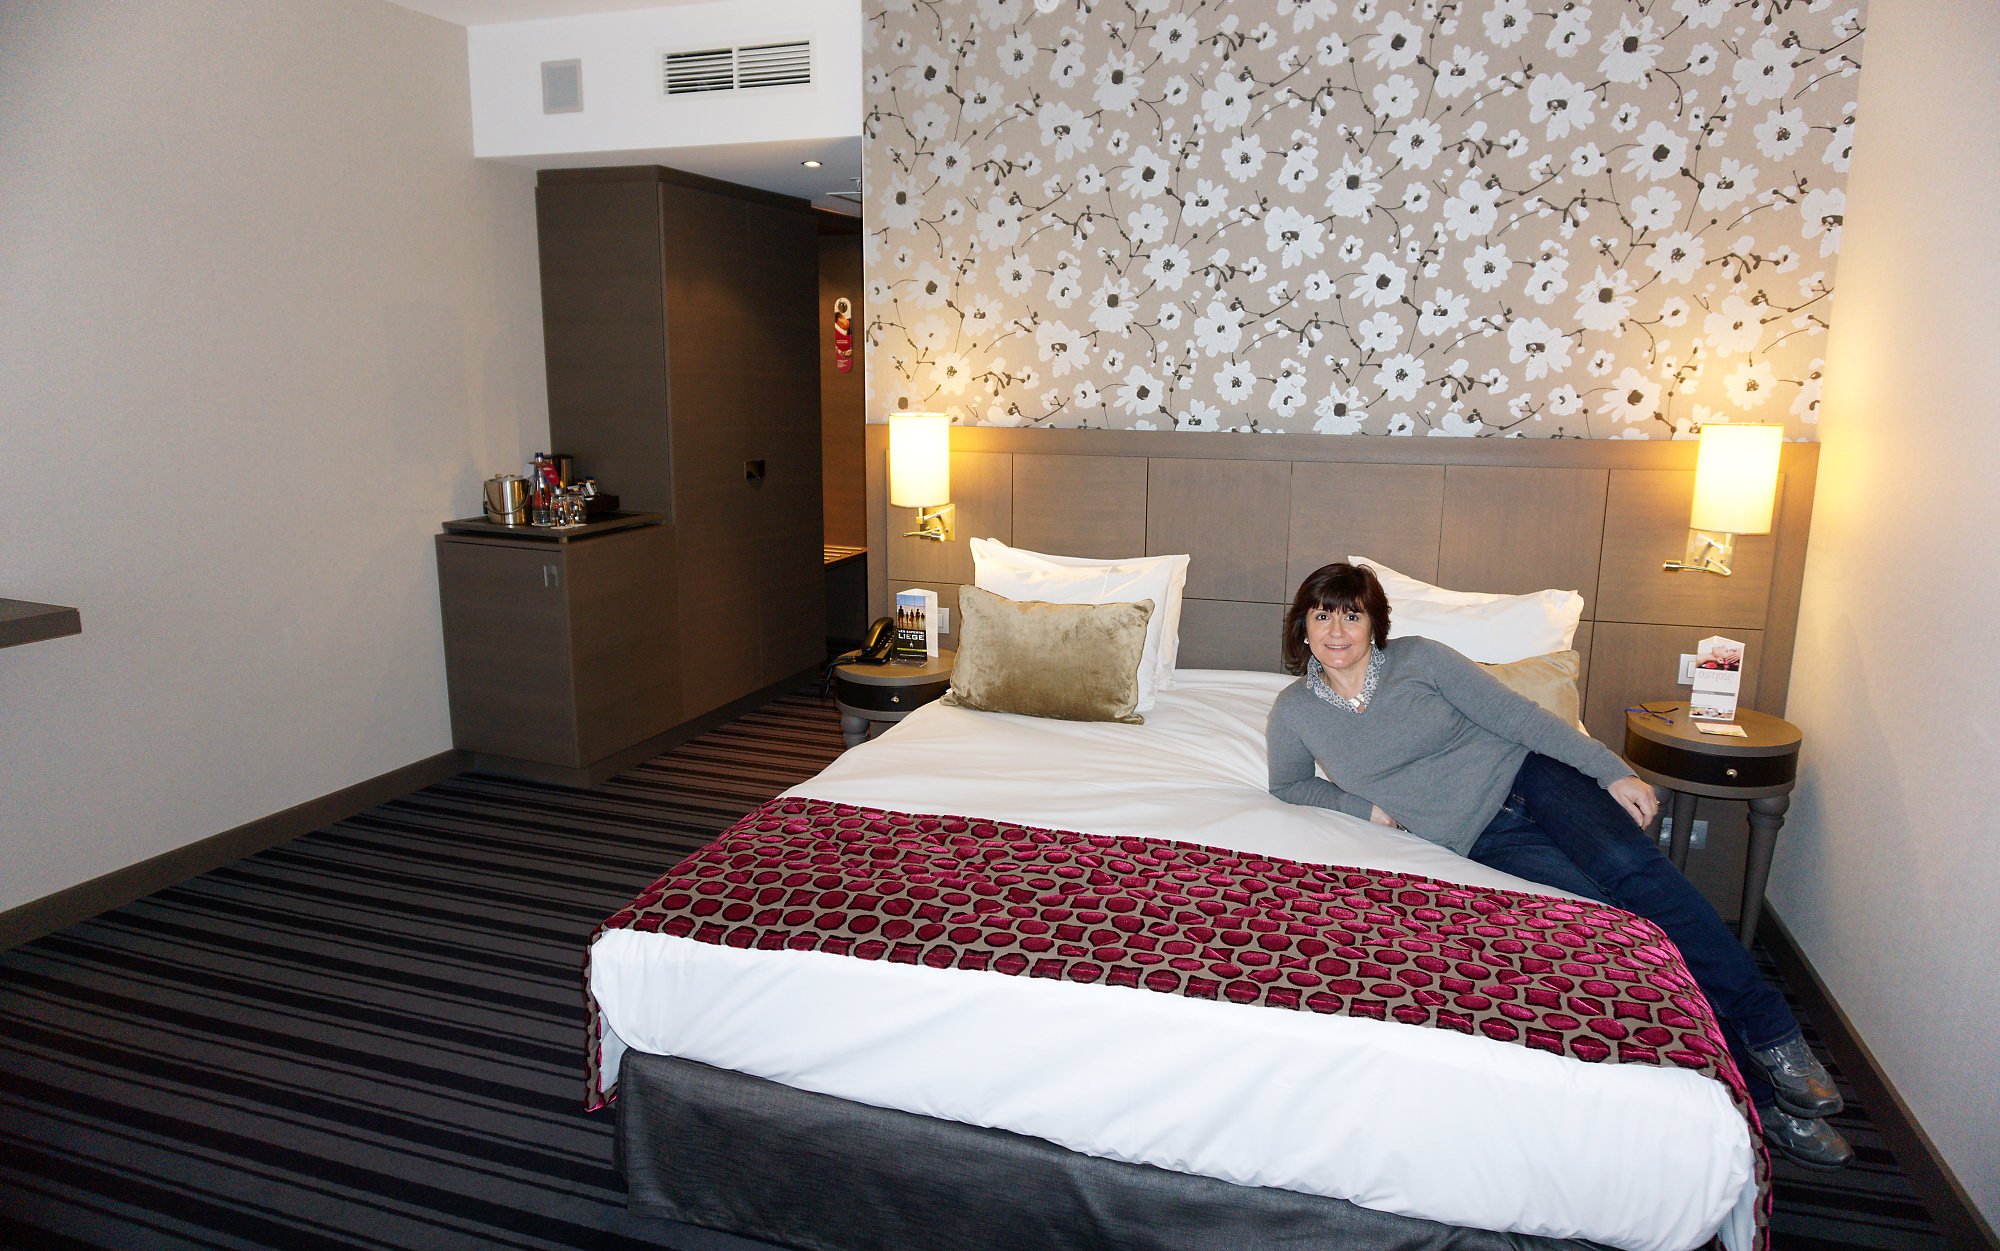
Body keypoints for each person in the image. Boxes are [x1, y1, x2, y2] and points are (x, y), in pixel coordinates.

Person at [1265, 562, 1852, 1171]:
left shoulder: (1420, 659)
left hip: (1535, 779)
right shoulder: (1294, 711)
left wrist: (1611, 770)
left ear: (1374, 624)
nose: (1338, 631)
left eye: (1353, 615)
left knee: (1641, 877)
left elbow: (1517, 718)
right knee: (1626, 927)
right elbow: (1288, 785)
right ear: (1302, 626)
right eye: (1323, 615)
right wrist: (1364, 809)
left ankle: (1778, 1039)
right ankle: (1765, 1104)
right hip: (1483, 837)